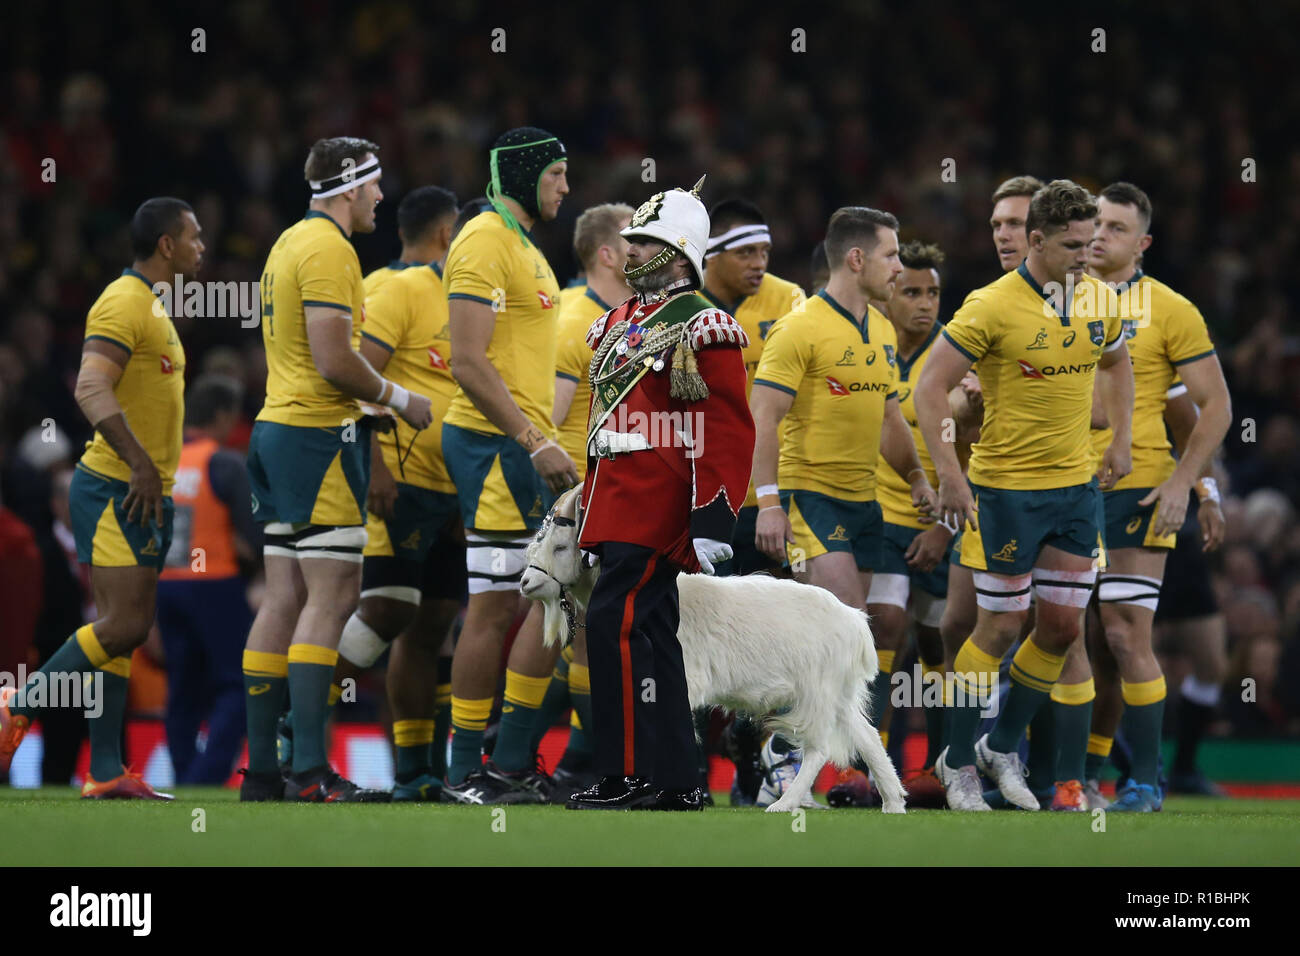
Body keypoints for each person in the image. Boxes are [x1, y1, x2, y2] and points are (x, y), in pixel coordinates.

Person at [916, 179, 1134, 812]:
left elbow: (1118, 363)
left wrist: (1119, 439)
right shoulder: (990, 306)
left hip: (1075, 490)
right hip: (1006, 490)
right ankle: (957, 763)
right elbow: (930, 389)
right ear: (1036, 241)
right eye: (1071, 245)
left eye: (1091, 242)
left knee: (1064, 629)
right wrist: (950, 476)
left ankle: (999, 745)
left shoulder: (1100, 298)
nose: (1085, 255)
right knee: (1000, 624)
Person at [240, 137, 433, 802]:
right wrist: (403, 399)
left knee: (283, 600)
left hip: (275, 430)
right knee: (331, 598)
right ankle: (310, 771)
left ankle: (264, 770)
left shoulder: (289, 243)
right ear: (351, 186)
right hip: (317, 435)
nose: (382, 198)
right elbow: (333, 359)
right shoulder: (328, 248)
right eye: (376, 185)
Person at [0, 197, 203, 799]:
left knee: (122, 632)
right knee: (126, 624)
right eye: (193, 236)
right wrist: (139, 462)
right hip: (118, 486)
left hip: (143, 492)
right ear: (166, 244)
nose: (201, 247)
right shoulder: (123, 301)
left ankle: (107, 769)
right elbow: (90, 385)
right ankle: (20, 702)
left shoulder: (155, 307)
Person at [567, 178, 755, 811]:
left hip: (662, 505)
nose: (628, 252)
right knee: (650, 636)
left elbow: (726, 429)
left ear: (678, 254)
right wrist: (590, 512)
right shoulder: (616, 324)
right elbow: (600, 432)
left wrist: (714, 519)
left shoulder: (703, 325)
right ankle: (676, 779)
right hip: (616, 502)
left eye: (643, 242)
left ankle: (628, 774)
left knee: (611, 626)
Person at [750, 207, 937, 808]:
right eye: (891, 255)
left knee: (873, 630)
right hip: (810, 497)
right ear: (856, 260)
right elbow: (764, 418)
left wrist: (913, 475)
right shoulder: (799, 328)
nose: (899, 265)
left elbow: (888, 417)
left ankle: (797, 753)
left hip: (865, 501)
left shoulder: (880, 329)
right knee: (846, 623)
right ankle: (788, 757)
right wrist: (769, 504)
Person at [1084, 182, 1231, 811]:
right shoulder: (1050, 297)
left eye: (1115, 227)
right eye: (1094, 223)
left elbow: (1214, 407)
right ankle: (1079, 774)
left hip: (1137, 486)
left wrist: (1188, 485)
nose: (1098, 235)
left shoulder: (1170, 309)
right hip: (1056, 485)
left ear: (1142, 243)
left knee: (1123, 635)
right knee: (1071, 639)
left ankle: (1145, 779)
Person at [439, 127, 575, 804]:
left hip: (523, 444)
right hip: (495, 449)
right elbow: (467, 361)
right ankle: (466, 770)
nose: (565, 187)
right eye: (555, 174)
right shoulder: (484, 241)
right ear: (523, 176)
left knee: (551, 599)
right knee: (493, 606)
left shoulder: (523, 247)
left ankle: (511, 761)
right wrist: (531, 439)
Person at [328, 185, 465, 801]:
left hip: (448, 488)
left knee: (430, 623)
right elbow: (359, 372)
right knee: (387, 609)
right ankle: (292, 719)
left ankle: (417, 771)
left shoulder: (452, 297)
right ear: (445, 233)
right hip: (399, 481)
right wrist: (376, 464)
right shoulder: (395, 287)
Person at [853, 240, 955, 807]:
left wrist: (944, 529)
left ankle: (939, 769)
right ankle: (870, 770)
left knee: (940, 641)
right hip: (882, 515)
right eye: (910, 291)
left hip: (946, 520)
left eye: (932, 292)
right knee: (884, 626)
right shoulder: (867, 343)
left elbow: (979, 449)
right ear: (888, 293)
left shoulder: (956, 354)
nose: (923, 303)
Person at [543, 202, 634, 793]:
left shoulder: (626, 316)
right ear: (607, 253)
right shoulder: (575, 317)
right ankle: (517, 756)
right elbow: (548, 420)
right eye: (636, 238)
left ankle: (579, 760)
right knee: (569, 629)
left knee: (592, 631)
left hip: (614, 498)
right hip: (576, 498)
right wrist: (566, 501)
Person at [156, 374, 260, 783]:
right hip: (215, 583)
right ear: (221, 414)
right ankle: (207, 774)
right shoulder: (224, 462)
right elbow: (255, 534)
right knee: (235, 683)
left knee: (182, 688)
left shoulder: (163, 460)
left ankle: (184, 773)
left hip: (167, 585)